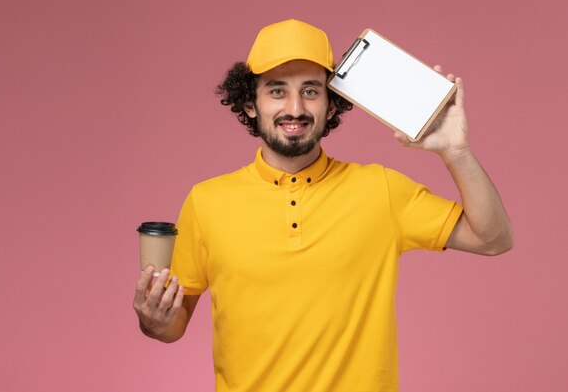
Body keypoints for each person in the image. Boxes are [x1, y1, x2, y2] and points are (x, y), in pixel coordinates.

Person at [132, 19, 513, 392]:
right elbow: (173, 324)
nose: (295, 108)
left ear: (332, 105)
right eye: (277, 91)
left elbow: (492, 238)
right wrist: (152, 318)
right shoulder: (207, 201)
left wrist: (456, 152)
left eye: (311, 91)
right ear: (251, 103)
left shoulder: (380, 189)